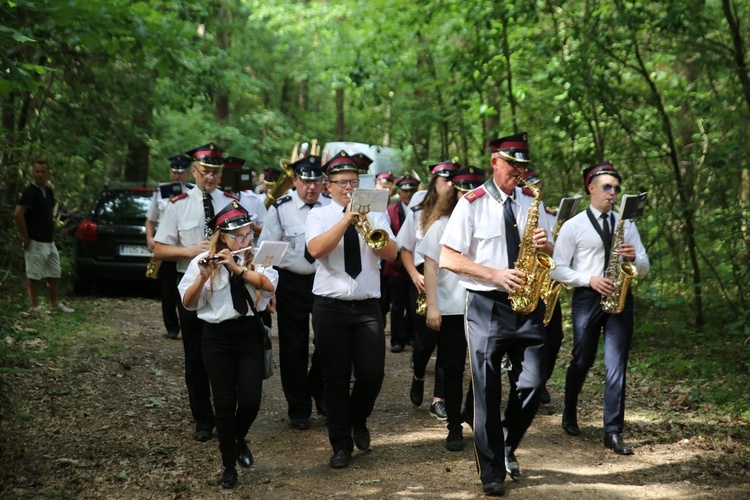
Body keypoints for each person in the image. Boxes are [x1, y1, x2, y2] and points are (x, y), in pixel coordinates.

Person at [439, 132, 553, 496]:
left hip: (527, 302)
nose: (518, 172)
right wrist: (494, 274)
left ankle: (505, 442)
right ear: (495, 162)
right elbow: (447, 257)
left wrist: (544, 243)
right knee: (486, 388)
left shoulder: (531, 199)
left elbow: (550, 249)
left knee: (534, 383)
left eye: (523, 166)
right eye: (513, 165)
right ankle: (491, 471)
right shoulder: (471, 203)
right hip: (486, 304)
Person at [305, 150, 398, 469]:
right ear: (328, 186)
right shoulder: (319, 215)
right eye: (342, 183)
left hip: (368, 305)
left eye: (354, 182)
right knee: (336, 376)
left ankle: (359, 419)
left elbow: (392, 253)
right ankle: (340, 443)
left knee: (372, 373)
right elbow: (316, 250)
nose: (348, 188)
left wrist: (368, 223)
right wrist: (346, 218)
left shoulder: (377, 213)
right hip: (330, 307)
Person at [550, 161, 649, 455]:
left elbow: (644, 265)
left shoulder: (626, 223)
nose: (613, 193)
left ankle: (613, 431)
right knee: (583, 358)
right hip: (587, 297)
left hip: (620, 296)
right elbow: (557, 269)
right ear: (590, 189)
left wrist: (634, 260)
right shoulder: (573, 225)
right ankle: (569, 408)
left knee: (616, 364)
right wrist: (589, 280)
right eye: (607, 187)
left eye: (616, 188)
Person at [179, 201, 278, 489]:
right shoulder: (202, 260)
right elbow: (188, 303)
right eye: (239, 236)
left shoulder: (257, 258)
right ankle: (227, 466)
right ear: (222, 236)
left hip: (248, 335)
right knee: (223, 403)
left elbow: (269, 285)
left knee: (250, 399)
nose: (246, 240)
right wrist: (202, 277)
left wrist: (236, 267)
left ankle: (237, 437)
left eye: (249, 234)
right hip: (216, 338)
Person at [154, 142, 238, 442]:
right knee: (196, 354)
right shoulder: (178, 203)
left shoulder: (231, 202)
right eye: (205, 172)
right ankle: (203, 418)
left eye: (216, 172)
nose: (211, 178)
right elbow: (161, 248)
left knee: (228, 350)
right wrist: (191, 250)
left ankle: (229, 413)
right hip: (190, 284)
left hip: (225, 285)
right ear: (194, 171)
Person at [258, 154, 329, 430]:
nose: (311, 188)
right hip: (291, 282)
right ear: (295, 181)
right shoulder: (280, 207)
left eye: (316, 182)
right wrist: (269, 287)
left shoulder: (331, 207)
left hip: (324, 279)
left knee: (327, 341)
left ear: (323, 183)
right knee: (293, 346)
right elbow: (268, 249)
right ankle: (298, 408)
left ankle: (320, 390)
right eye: (305, 182)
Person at [417, 166, 484, 452]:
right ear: (455, 193)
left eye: (474, 189)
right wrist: (433, 306)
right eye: (463, 189)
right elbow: (430, 268)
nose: (468, 194)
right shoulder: (442, 224)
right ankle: (454, 426)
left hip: (483, 305)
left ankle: (472, 412)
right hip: (452, 307)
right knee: (453, 368)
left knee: (483, 368)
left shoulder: (489, 222)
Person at [400, 160, 458, 421]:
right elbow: (406, 249)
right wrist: (414, 274)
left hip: (451, 280)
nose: (449, 184)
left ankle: (439, 399)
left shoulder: (460, 213)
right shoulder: (417, 212)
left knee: (447, 341)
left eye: (452, 180)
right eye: (444, 180)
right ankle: (419, 373)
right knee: (424, 342)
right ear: (435, 182)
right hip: (422, 278)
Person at [14, 160, 74, 314]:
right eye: (37, 171)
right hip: (35, 240)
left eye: (43, 171)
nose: (39, 175)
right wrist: (25, 236)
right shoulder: (29, 192)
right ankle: (35, 307)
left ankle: (55, 304)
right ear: (32, 173)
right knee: (34, 275)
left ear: (48, 174)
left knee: (54, 272)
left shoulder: (48, 191)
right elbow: (18, 213)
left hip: (49, 240)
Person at [145, 155, 193, 339]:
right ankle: (171, 327)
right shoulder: (161, 191)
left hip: (185, 249)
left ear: (187, 174)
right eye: (174, 172)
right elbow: (151, 219)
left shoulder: (193, 192)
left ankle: (188, 322)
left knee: (185, 287)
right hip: (166, 248)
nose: (176, 176)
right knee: (167, 290)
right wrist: (150, 237)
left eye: (180, 173)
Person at [383, 173, 419, 353]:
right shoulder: (390, 211)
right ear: (400, 192)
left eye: (412, 190)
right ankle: (397, 339)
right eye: (405, 191)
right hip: (395, 267)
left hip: (414, 265)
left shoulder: (419, 210)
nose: (408, 194)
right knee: (397, 305)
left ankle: (412, 336)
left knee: (414, 304)